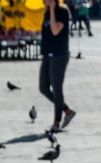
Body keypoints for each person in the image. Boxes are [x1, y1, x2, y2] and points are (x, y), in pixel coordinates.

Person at [40, 0, 76, 133]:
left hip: (59, 55)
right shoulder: (46, 13)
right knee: (43, 87)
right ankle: (67, 110)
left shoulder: (62, 12)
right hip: (47, 55)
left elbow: (55, 31)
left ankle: (56, 123)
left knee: (56, 88)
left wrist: (53, 10)